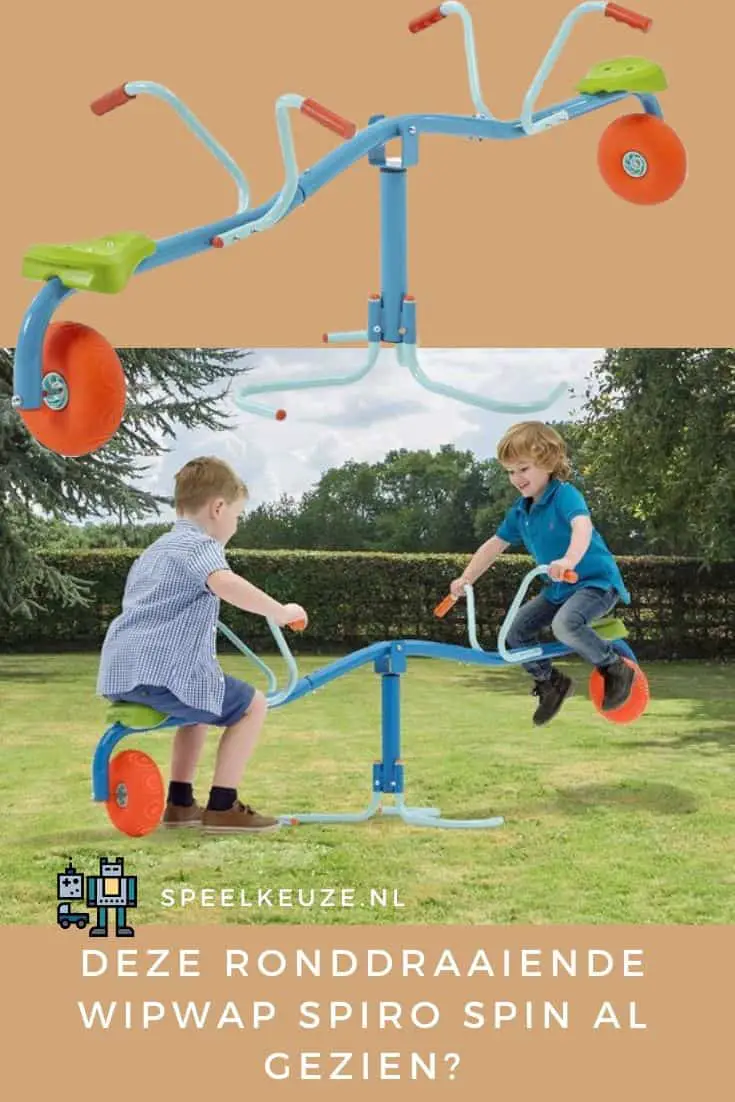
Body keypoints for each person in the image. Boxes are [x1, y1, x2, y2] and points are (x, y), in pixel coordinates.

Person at [97, 456, 308, 833]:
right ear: (218, 508)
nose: (236, 525)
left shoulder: (155, 551)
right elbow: (225, 584)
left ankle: (180, 804)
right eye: (238, 515)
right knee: (252, 706)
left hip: (124, 670)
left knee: (197, 708)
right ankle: (223, 805)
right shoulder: (199, 545)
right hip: (163, 671)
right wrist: (279, 610)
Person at [450, 422, 633, 726]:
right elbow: (495, 544)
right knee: (515, 633)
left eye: (523, 468)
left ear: (547, 463)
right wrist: (466, 577)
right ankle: (551, 682)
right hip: (559, 589)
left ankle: (613, 665)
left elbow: (582, 526)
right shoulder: (521, 511)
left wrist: (569, 559)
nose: (516, 478)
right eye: (510, 471)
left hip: (594, 583)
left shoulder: (565, 496)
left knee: (565, 625)